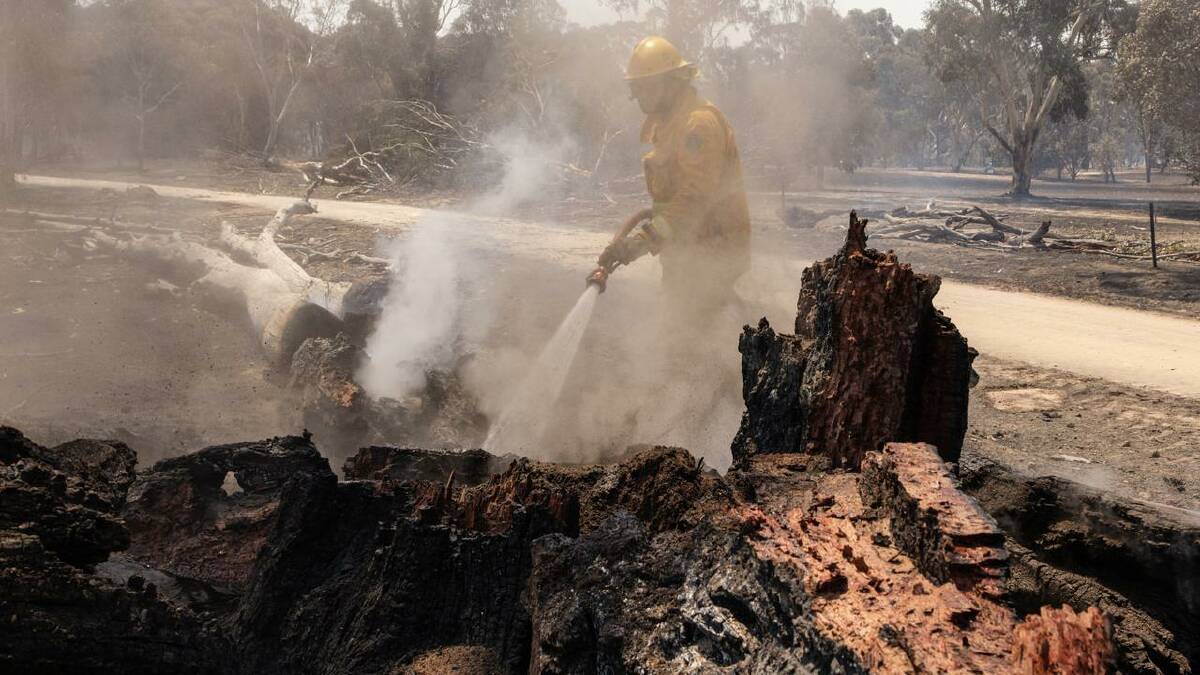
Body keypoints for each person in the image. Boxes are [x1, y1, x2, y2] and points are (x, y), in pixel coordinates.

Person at [593, 35, 751, 326]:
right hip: (687, 249)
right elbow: (672, 199)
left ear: (671, 81)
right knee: (679, 329)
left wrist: (644, 239)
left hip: (712, 250)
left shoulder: (698, 124)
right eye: (634, 88)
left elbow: (694, 199)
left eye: (643, 87)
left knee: (688, 335)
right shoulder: (669, 124)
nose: (637, 96)